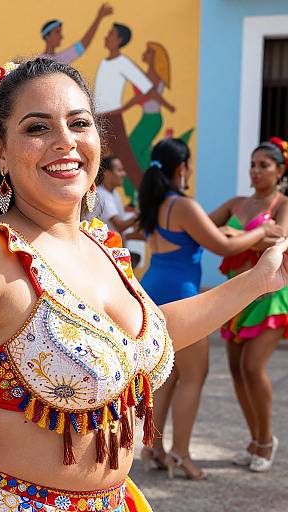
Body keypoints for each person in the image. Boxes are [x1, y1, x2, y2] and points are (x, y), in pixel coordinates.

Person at [0, 58, 288, 512]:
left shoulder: (101, 245)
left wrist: (260, 280)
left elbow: (147, 336)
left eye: (78, 123)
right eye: (38, 127)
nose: (65, 142)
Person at [138, 138, 283, 480]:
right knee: (193, 376)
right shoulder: (181, 205)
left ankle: (153, 448)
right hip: (181, 294)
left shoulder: (155, 202)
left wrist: (248, 232)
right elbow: (222, 244)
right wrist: (262, 229)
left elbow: (220, 232)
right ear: (181, 168)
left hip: (154, 288)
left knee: (167, 375)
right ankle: (181, 455)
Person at [209, 137, 288, 472]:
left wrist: (234, 235)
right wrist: (242, 233)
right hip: (236, 294)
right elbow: (204, 228)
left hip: (270, 295)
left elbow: (279, 239)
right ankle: (254, 441)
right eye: (253, 165)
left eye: (264, 165)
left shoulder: (283, 203)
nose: (256, 171)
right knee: (237, 371)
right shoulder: (238, 202)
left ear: (280, 170)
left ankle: (267, 440)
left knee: (254, 367)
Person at [94, 23, 154, 191]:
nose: (106, 36)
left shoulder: (122, 62)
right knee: (96, 161)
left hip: (112, 118)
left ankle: (147, 197)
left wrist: (123, 109)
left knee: (127, 161)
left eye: (111, 34)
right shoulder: (106, 62)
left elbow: (147, 87)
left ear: (119, 40)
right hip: (99, 118)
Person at [122, 42, 176, 202]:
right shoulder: (147, 75)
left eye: (148, 52)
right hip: (148, 118)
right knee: (143, 153)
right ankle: (146, 190)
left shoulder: (153, 76)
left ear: (154, 57)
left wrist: (122, 109)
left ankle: (139, 191)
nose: (144, 53)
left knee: (131, 151)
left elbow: (147, 95)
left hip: (151, 120)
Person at [88, 156, 142, 267]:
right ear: (107, 173)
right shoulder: (101, 195)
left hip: (110, 252)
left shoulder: (114, 194)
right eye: (119, 170)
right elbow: (120, 226)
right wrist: (142, 215)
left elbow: (120, 231)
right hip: (103, 255)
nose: (124, 174)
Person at [39, 3, 113, 64]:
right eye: (57, 32)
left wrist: (99, 18)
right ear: (47, 37)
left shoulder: (61, 59)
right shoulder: (39, 62)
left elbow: (82, 45)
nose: (61, 37)